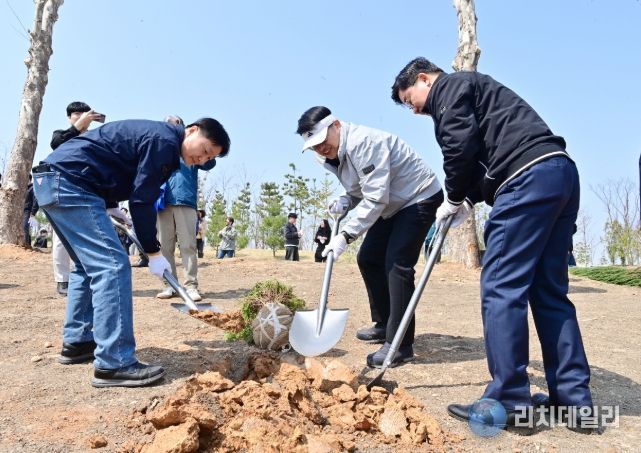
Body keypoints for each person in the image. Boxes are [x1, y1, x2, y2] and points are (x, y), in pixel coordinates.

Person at [392, 57, 594, 430]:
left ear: (424, 79)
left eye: (409, 100)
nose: (414, 110)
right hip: (559, 172)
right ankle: (573, 403)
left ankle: (510, 399)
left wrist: (453, 196)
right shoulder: (478, 91)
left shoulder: (449, 88)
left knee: (501, 287)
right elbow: (484, 153)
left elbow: (459, 146)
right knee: (549, 293)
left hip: (525, 181)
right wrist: (467, 199)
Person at [32, 117, 230, 388]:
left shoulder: (161, 140)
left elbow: (110, 161)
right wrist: (153, 251)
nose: (202, 159)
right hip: (71, 183)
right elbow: (141, 200)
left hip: (53, 180)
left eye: (209, 158)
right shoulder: (164, 142)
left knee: (85, 266)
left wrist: (110, 203)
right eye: (205, 150)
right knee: (112, 265)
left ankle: (78, 341)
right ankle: (115, 362)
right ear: (192, 130)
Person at [296, 106, 443, 367]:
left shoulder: (365, 143)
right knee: (369, 258)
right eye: (314, 146)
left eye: (322, 140)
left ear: (336, 125)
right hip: (390, 202)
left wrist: (345, 235)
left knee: (397, 265)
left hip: (417, 196)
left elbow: (375, 197)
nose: (320, 148)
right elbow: (361, 188)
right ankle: (385, 323)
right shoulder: (330, 155)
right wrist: (346, 200)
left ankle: (400, 345)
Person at [50, 102, 110, 295]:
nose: (82, 116)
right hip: (63, 189)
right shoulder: (61, 134)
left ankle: (89, 277)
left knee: (92, 237)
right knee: (61, 239)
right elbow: (56, 145)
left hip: (89, 191)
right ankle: (62, 280)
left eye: (85, 113)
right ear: (69, 117)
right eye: (77, 113)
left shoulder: (96, 137)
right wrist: (77, 128)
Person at [155, 115, 216, 302]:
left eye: (175, 125)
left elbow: (210, 163)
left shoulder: (191, 148)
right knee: (164, 247)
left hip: (186, 202)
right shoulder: (159, 147)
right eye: (167, 125)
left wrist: (207, 146)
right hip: (163, 203)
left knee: (188, 245)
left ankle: (191, 286)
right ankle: (170, 285)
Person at [23, 174, 39, 247]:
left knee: (24, 228)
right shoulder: (23, 189)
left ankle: (25, 245)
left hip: (28, 211)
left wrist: (33, 213)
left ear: (29, 179)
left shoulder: (33, 188)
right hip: (21, 211)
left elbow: (36, 201)